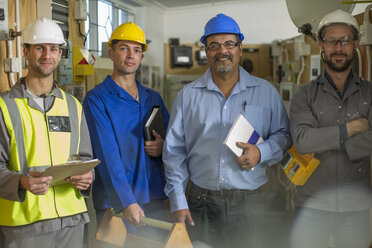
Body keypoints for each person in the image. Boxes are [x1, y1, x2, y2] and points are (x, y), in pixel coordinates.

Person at [162, 13, 291, 248]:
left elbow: (283, 136)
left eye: (229, 44)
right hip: (200, 203)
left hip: (252, 203)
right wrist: (178, 200)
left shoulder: (265, 92)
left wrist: (261, 152)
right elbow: (174, 152)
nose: (222, 50)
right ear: (206, 52)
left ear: (240, 48)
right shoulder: (187, 96)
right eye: (214, 45)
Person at [0, 18, 94, 248]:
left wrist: (87, 178)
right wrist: (21, 181)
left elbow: (84, 159)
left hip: (71, 221)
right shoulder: (5, 107)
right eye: (39, 47)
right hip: (25, 225)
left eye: (53, 49)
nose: (47, 55)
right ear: (26, 52)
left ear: (60, 54)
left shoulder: (73, 106)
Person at [290, 9, 372, 248]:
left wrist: (326, 141)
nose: (338, 48)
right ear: (321, 45)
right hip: (311, 205)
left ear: (355, 43)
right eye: (331, 41)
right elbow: (304, 140)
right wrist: (353, 128)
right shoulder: (304, 95)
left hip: (356, 205)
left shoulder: (369, 92)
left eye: (345, 40)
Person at [82, 22, 170, 236]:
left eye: (137, 50)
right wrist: (126, 201)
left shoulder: (152, 97)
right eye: (124, 48)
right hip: (117, 201)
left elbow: (173, 141)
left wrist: (162, 146)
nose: (131, 55)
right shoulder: (97, 99)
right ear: (111, 53)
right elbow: (107, 156)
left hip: (155, 196)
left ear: (141, 56)